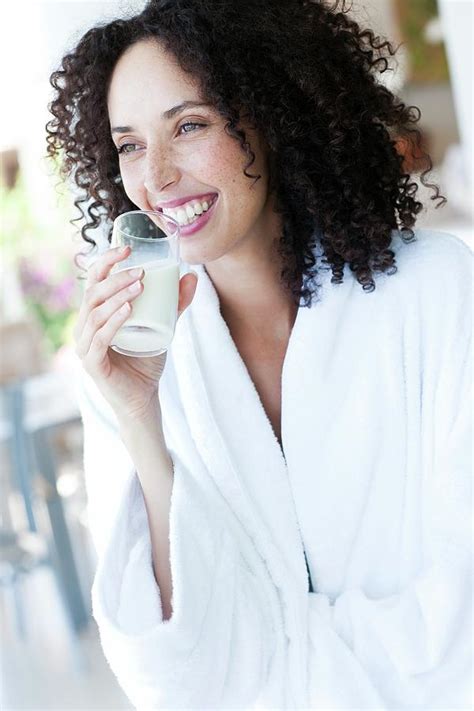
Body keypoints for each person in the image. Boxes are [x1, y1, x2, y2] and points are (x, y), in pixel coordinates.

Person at [46, 0, 472, 708]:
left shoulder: (437, 293)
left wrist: (270, 661)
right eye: (128, 145)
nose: (156, 176)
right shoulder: (131, 360)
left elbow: (463, 618)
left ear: (271, 117)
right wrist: (139, 419)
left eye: (189, 125)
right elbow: (169, 672)